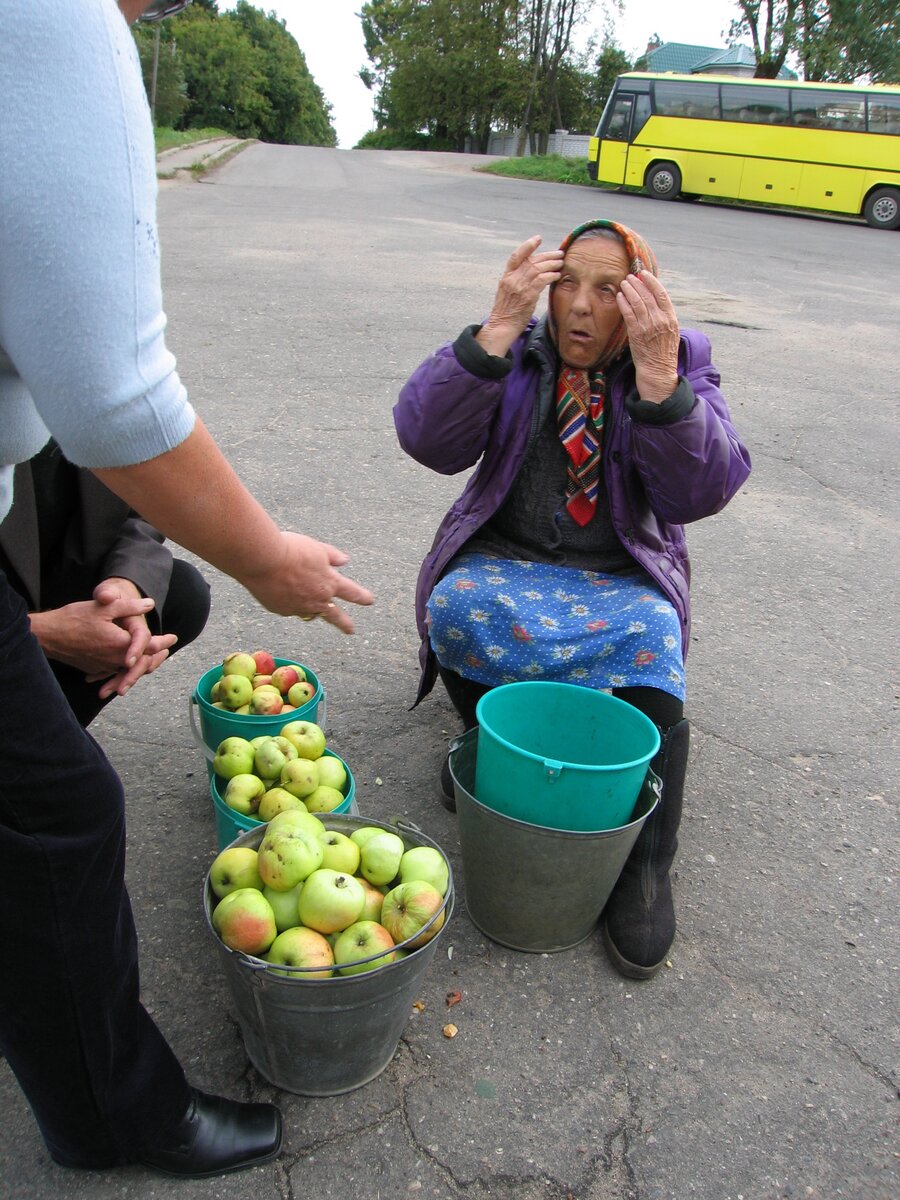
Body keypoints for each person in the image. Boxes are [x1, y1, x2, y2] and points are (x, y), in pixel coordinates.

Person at [0, 0, 373, 1180]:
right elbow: (118, 402)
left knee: (171, 603)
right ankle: (114, 1117)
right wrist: (268, 558)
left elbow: (119, 477)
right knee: (60, 815)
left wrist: (108, 593)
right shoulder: (50, 23)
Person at [394, 219, 751, 980]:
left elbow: (703, 490)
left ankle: (645, 858)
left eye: (609, 290)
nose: (581, 309)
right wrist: (495, 326)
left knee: (652, 630)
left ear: (644, 301)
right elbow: (426, 439)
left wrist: (659, 380)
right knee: (458, 602)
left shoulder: (681, 357)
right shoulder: (517, 351)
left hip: (618, 573)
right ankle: (497, 740)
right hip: (509, 554)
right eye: (566, 285)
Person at [0, 439, 211, 727]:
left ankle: (50, 730)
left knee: (181, 593)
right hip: (10, 618)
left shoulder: (92, 401)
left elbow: (144, 501)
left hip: (53, 581)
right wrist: (38, 632)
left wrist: (125, 586)